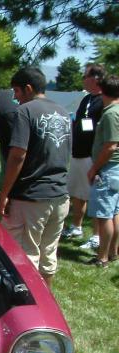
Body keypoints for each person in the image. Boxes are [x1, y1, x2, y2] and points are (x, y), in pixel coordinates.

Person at [0, 67, 71, 287]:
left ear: (28, 88)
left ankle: (28, 302)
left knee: (25, 255)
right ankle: (46, 298)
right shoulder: (63, 112)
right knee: (48, 254)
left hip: (31, 198)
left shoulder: (25, 111)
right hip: (60, 195)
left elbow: (18, 155)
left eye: (17, 91)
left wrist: (5, 193)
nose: (15, 98)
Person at [62, 64, 105, 249]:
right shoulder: (87, 98)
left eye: (85, 76)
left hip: (92, 156)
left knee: (94, 197)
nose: (82, 79)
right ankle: (76, 227)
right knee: (77, 193)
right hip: (78, 153)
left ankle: (97, 236)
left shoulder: (105, 100)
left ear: (95, 79)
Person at [85, 74, 119, 267]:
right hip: (115, 168)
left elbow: (110, 146)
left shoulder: (110, 114)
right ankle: (113, 252)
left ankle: (102, 257)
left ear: (102, 91)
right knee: (115, 212)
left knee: (104, 214)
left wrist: (94, 168)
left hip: (108, 169)